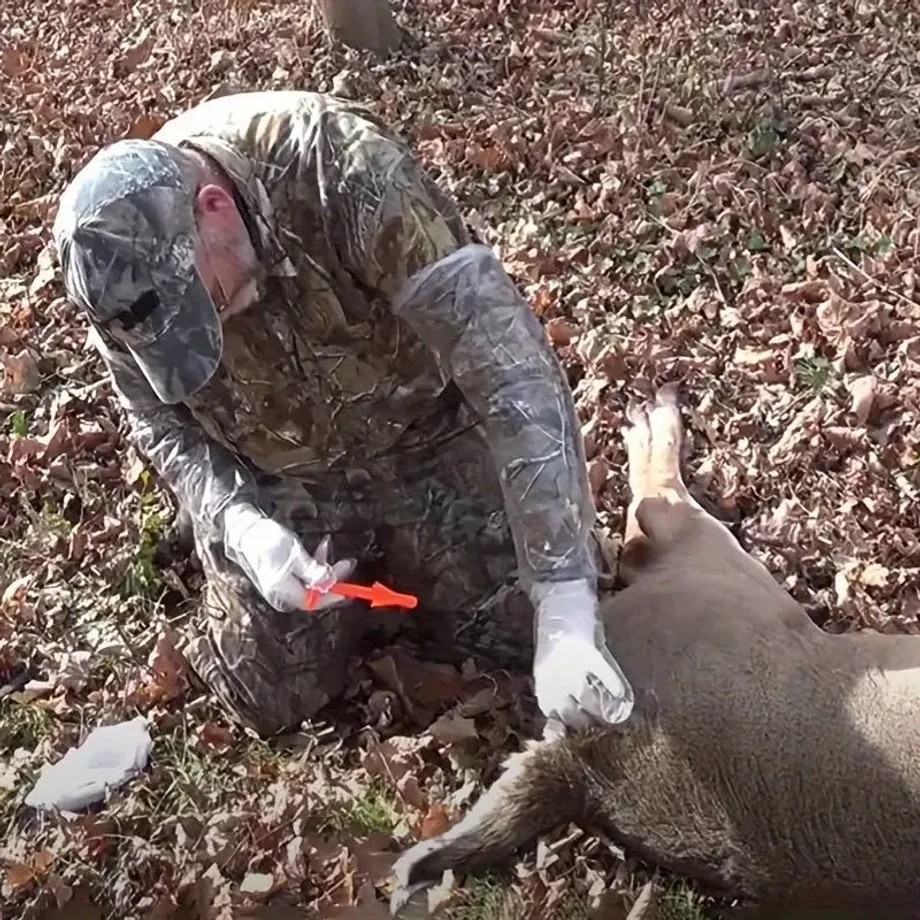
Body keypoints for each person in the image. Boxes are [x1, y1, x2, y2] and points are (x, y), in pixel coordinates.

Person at [51, 90, 634, 738]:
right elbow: (160, 424)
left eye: (205, 301)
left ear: (214, 208)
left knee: (533, 638)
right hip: (284, 471)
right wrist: (240, 525)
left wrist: (561, 598)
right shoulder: (119, 277)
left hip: (427, 431)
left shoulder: (338, 168)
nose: (204, 325)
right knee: (265, 693)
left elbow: (508, 365)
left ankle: (442, 568)